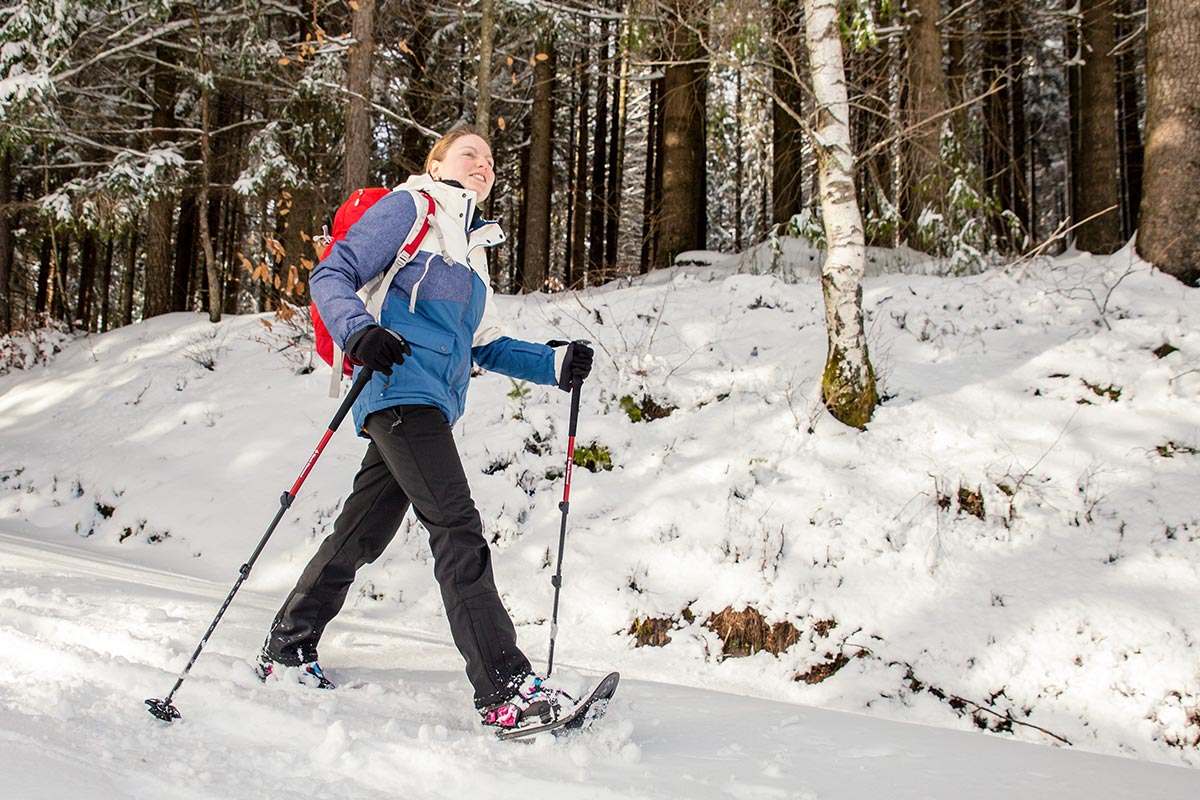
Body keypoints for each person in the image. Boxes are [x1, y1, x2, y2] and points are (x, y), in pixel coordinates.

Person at [257, 127, 594, 732]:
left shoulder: (471, 249)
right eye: (470, 153)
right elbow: (331, 276)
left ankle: (288, 645)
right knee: (457, 527)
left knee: (360, 533)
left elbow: (485, 345)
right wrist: (357, 329)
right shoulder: (410, 208)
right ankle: (504, 686)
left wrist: (554, 362)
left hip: (431, 404)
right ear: (436, 162)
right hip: (395, 390)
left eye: (491, 160)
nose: (483, 164)